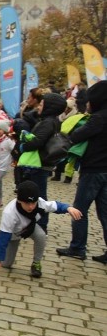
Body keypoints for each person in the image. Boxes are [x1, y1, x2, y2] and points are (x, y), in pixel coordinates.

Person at [57, 80, 107, 263]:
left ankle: (78, 248)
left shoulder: (99, 118)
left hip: (93, 169)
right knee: (105, 213)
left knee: (79, 209)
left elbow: (77, 136)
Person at [0, 180, 82, 279]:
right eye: (27, 203)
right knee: (7, 264)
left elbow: (55, 206)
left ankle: (36, 264)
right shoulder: (9, 213)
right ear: (19, 201)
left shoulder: (40, 203)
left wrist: (68, 208)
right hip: (13, 234)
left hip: (30, 227)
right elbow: (3, 238)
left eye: (34, 203)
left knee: (41, 235)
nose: (31, 207)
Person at [16, 92, 67, 232]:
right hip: (38, 163)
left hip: (38, 164)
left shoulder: (48, 122)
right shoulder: (48, 120)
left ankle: (40, 225)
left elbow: (38, 141)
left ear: (49, 107)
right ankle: (34, 223)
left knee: (39, 197)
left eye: (42, 104)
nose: (39, 106)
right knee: (37, 194)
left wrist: (23, 146)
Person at [0, 120, 15, 209]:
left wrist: (14, 161)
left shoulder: (8, 141)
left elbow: (14, 150)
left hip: (3, 166)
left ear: (4, 131)